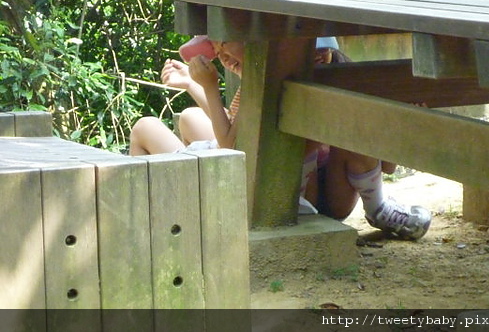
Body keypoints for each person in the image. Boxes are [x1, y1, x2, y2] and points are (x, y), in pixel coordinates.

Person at [129, 36, 431, 240]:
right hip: (285, 189)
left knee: (146, 126)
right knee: (190, 116)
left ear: (318, 56)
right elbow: (235, 133)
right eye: (217, 50)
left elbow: (231, 144)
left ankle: (141, 225)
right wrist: (195, 86)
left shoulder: (288, 88)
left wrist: (402, 129)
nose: (221, 56)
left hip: (289, 198)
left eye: (227, 46)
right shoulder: (256, 87)